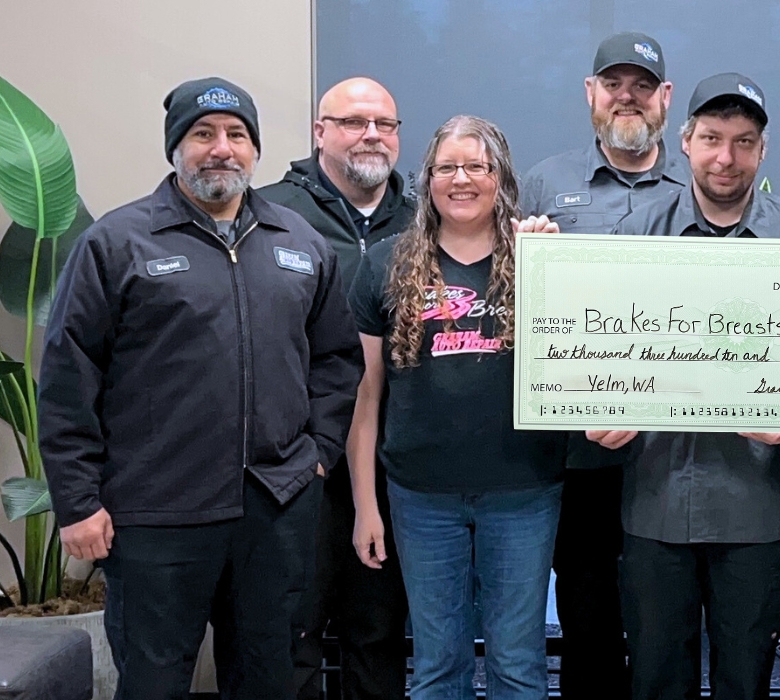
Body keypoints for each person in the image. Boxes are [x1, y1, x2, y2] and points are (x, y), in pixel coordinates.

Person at [40, 77, 363, 699]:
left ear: (256, 149)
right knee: (154, 680)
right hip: (156, 514)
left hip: (273, 509)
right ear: (175, 148)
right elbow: (67, 376)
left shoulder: (300, 245)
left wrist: (317, 454)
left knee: (268, 679)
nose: (222, 149)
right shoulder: (118, 242)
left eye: (237, 135)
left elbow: (336, 361)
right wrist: (78, 501)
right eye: (203, 134)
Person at [591, 72, 780, 700]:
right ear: (686, 141)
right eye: (711, 139)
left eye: (743, 141)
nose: (726, 158)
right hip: (655, 502)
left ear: (762, 149)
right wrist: (593, 411)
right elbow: (599, 351)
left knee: (745, 681)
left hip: (757, 508)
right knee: (654, 680)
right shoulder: (634, 236)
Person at [346, 115, 566, 700]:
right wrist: (366, 506)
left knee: (517, 662)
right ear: (428, 179)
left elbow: (579, 363)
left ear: (501, 178)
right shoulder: (386, 264)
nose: (461, 179)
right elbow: (367, 398)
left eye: (477, 166)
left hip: (523, 491)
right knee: (439, 665)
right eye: (447, 167)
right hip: (420, 498)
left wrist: (553, 263)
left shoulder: (541, 256)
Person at [519, 31, 688, 698]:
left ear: (665, 99)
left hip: (675, 452)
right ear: (590, 95)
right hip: (580, 455)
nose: (627, 97)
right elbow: (519, 314)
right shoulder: (543, 184)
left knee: (668, 623)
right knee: (587, 617)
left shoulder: (700, 187)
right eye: (613, 85)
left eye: (642, 86)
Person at [258, 76, 414, 700]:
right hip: (298, 465)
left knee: (378, 633)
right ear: (320, 132)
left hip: (394, 466)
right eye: (353, 122)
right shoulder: (268, 212)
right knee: (290, 630)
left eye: (385, 124)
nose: (371, 135)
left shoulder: (428, 221)